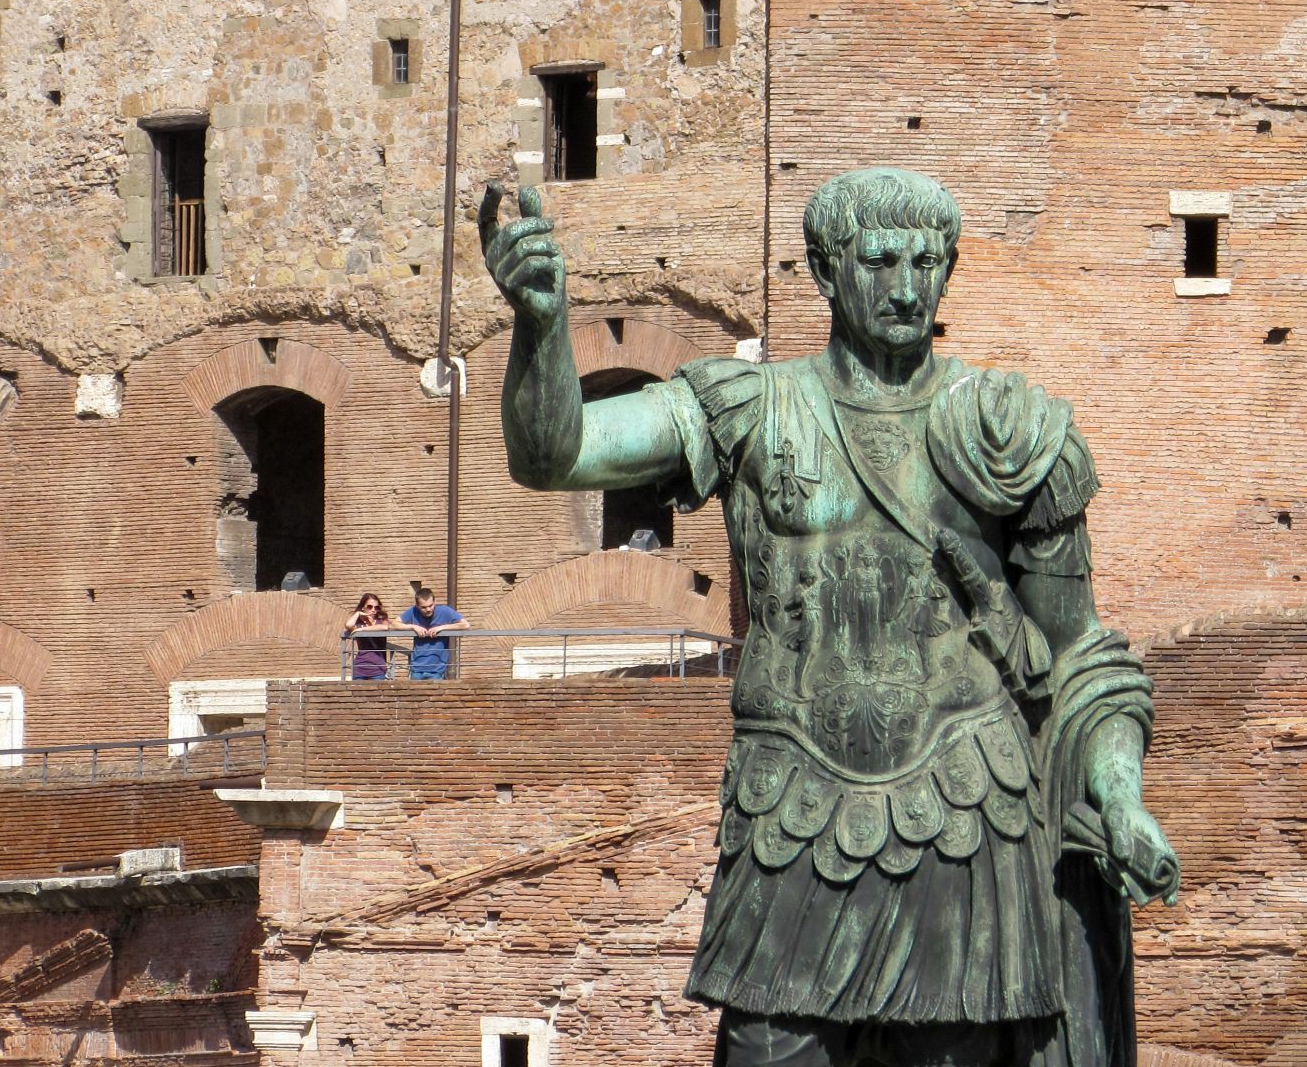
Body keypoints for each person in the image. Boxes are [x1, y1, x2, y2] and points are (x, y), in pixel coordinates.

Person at [481, 168, 1178, 1066]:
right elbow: (558, 454)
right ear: (823, 268)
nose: (905, 286)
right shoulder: (747, 408)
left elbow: (1081, 655)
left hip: (968, 812)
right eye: (880, 261)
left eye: (927, 263)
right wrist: (541, 325)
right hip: (791, 818)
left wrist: (1120, 796)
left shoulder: (1008, 430)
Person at [398, 587, 470, 680]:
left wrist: (443, 627)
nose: (428, 609)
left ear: (435, 602)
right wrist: (412, 626)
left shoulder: (445, 611)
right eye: (423, 607)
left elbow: (465, 625)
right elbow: (394, 624)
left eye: (430, 605)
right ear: (417, 605)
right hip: (416, 668)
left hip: (437, 670)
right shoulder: (413, 611)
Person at [344, 593, 393, 680]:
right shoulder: (359, 623)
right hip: (360, 668)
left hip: (377, 669)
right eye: (369, 607)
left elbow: (385, 627)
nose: (373, 610)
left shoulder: (381, 620)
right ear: (363, 607)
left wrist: (362, 630)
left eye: (376, 607)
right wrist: (358, 613)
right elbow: (348, 625)